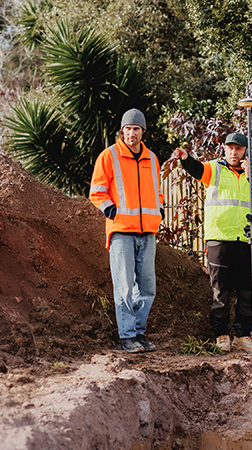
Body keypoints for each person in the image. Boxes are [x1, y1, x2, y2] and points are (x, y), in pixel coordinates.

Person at [172, 132, 252, 353]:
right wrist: (185, 158)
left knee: (248, 291)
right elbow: (196, 169)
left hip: (248, 240)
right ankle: (221, 335)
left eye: (238, 149)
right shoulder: (215, 169)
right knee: (221, 291)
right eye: (230, 148)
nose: (233, 152)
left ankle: (242, 336)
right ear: (225, 149)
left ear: (246, 151)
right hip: (220, 239)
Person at [89, 108, 164, 354]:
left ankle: (139, 333)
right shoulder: (109, 156)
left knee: (147, 286)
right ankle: (127, 336)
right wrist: (110, 210)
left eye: (137, 129)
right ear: (122, 131)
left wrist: (160, 209)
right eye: (128, 129)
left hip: (147, 232)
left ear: (143, 131)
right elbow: (97, 190)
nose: (132, 133)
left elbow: (158, 191)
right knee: (124, 287)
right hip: (121, 231)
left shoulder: (152, 158)